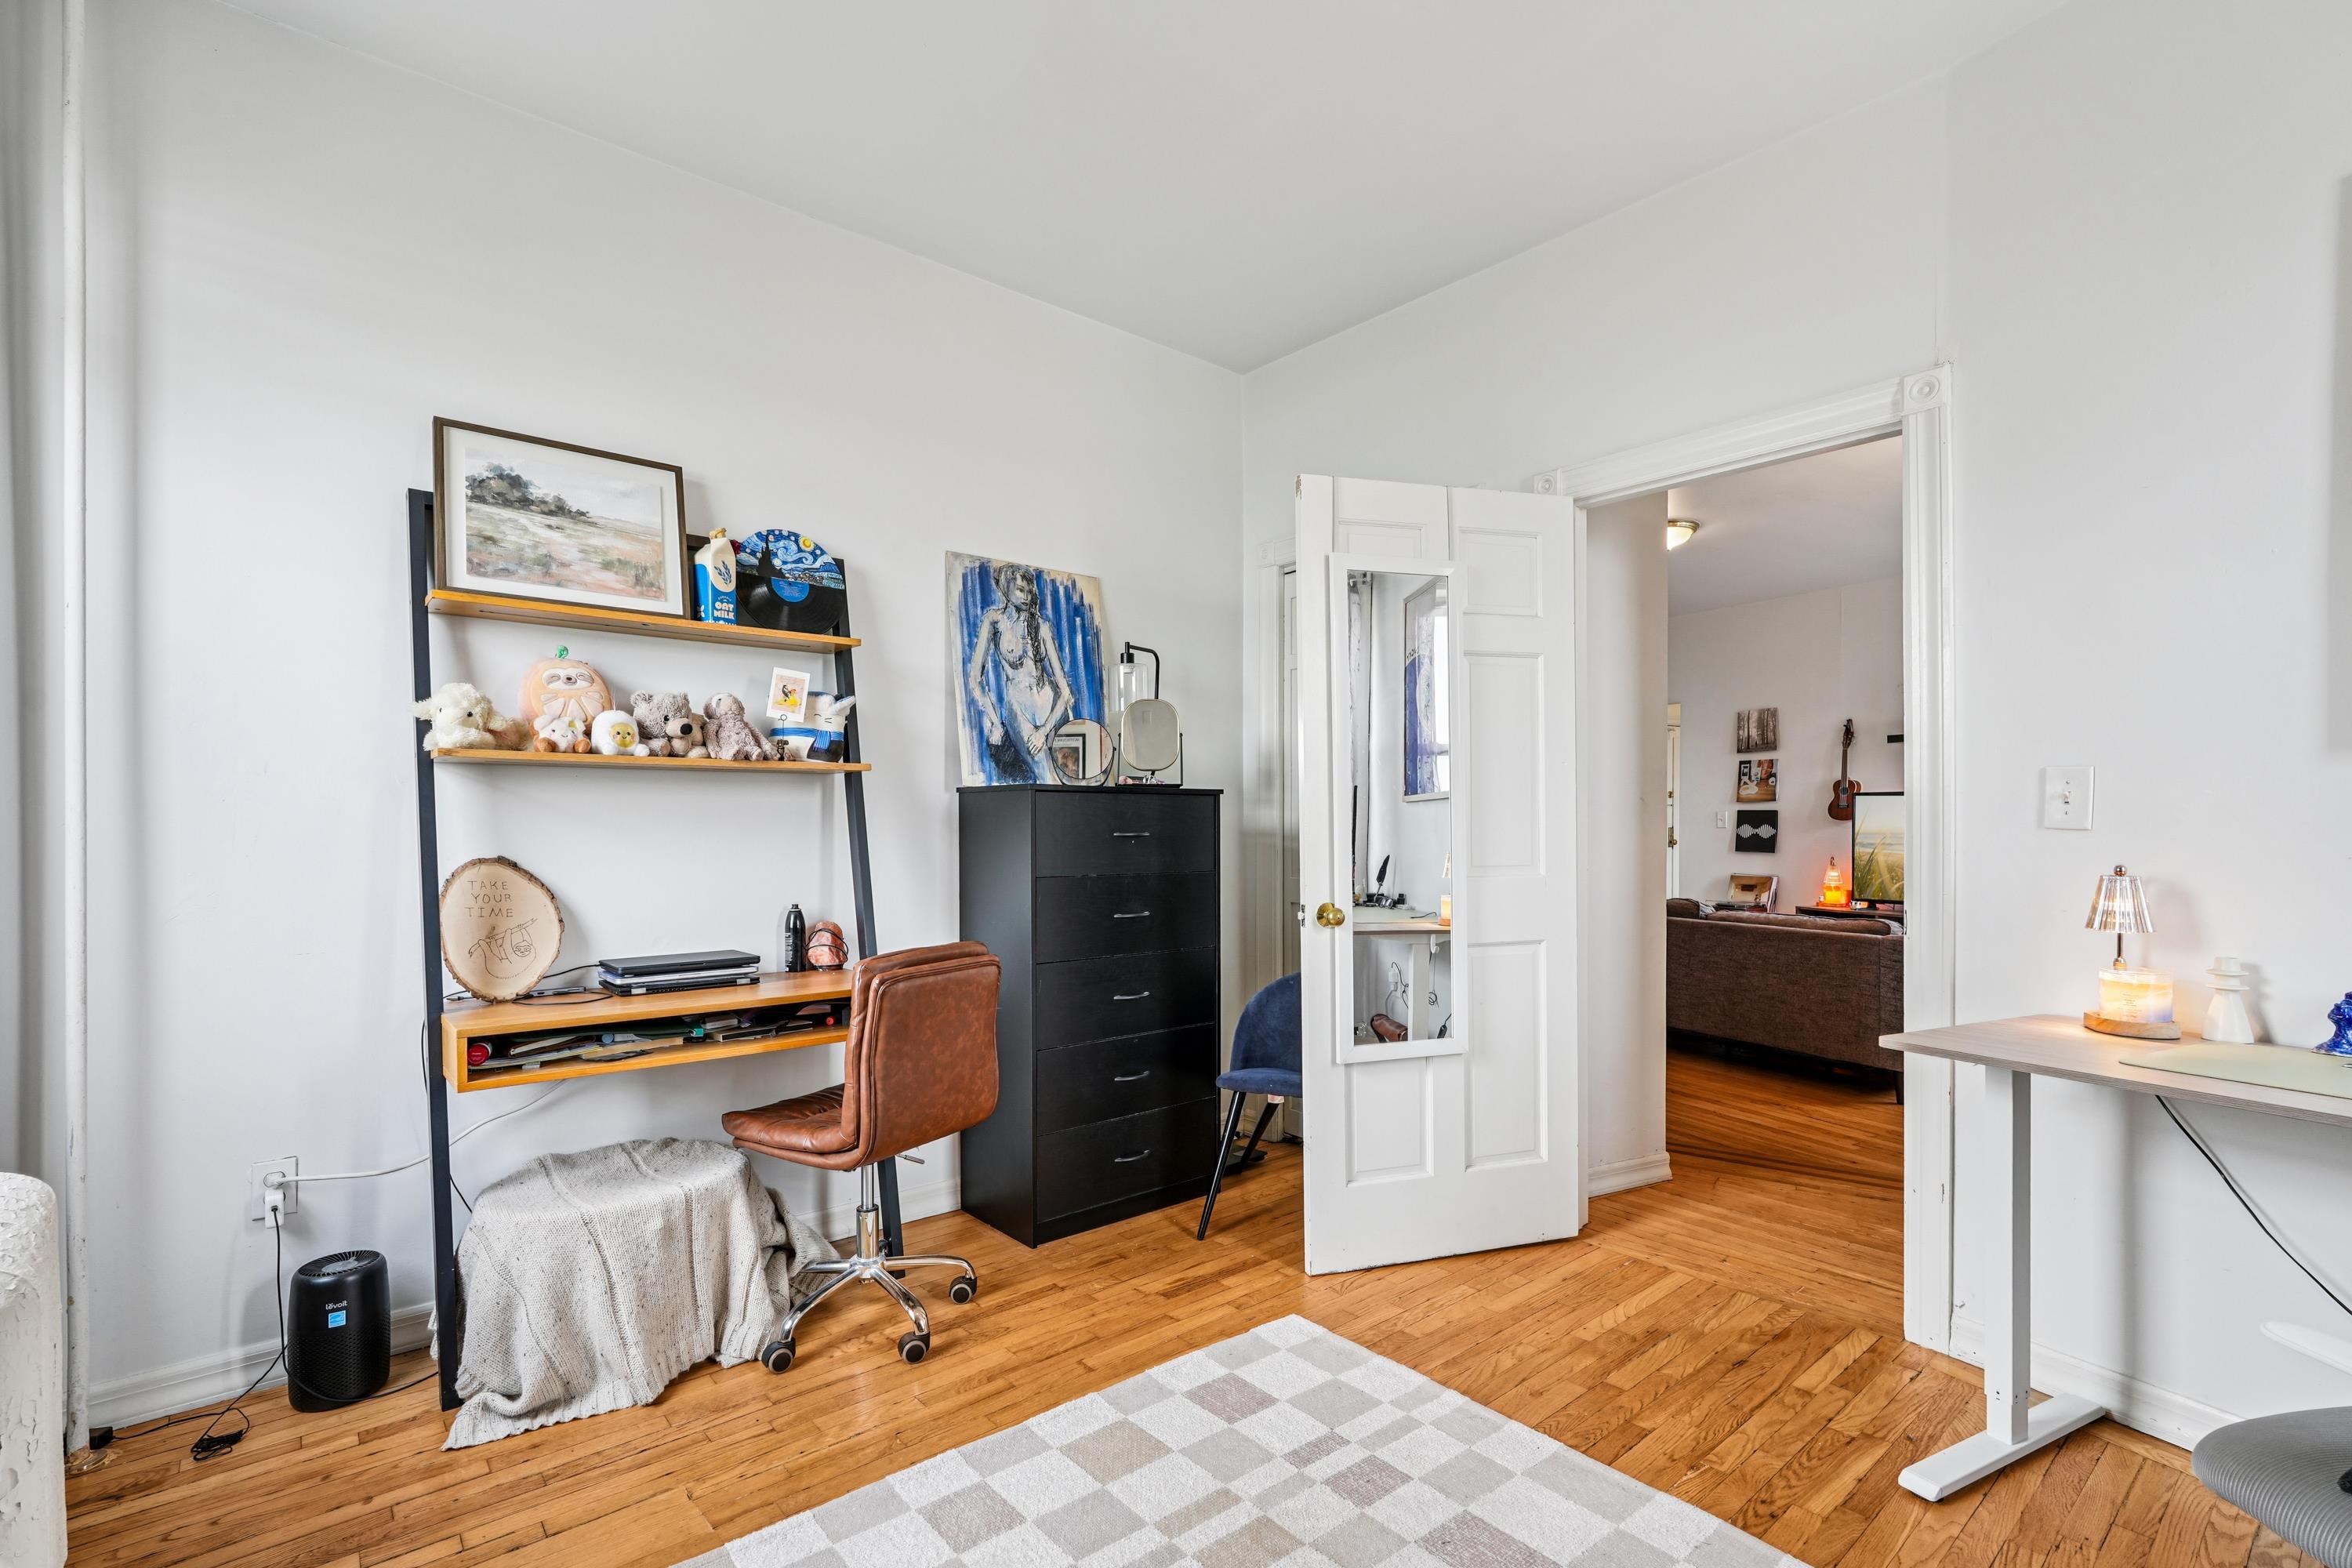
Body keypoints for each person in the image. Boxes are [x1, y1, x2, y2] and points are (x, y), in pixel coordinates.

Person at [966, 563, 1076, 782]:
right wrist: (996, 722)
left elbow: (1065, 692)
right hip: (1020, 710)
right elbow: (975, 679)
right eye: (1020, 590)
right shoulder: (993, 621)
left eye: (1029, 591)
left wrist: (1044, 731)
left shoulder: (1041, 626)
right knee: (1047, 780)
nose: (1026, 597)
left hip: (1053, 708)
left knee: (1071, 779)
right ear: (1006, 588)